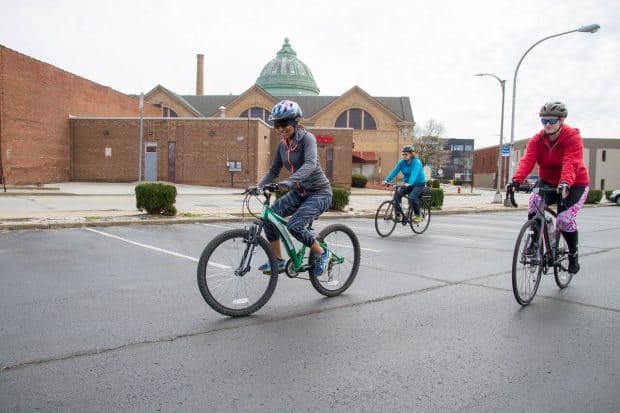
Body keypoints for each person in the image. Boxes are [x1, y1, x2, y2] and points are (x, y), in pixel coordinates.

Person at [252, 100, 333, 276]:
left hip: (320, 193)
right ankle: (279, 261)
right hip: (300, 192)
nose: (281, 128)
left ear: (295, 122)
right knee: (269, 218)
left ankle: (322, 252)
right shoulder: (282, 146)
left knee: (295, 226)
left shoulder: (307, 138)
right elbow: (273, 170)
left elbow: (311, 163)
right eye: (277, 124)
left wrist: (289, 182)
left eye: (285, 124)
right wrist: (257, 187)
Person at [509, 101, 589, 275]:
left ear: (561, 120)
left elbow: (571, 162)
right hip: (548, 181)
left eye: (552, 121)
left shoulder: (571, 137)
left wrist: (566, 182)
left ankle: (573, 255)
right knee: (534, 203)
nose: (547, 125)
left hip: (575, 182)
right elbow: (528, 159)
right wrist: (516, 180)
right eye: (544, 121)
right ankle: (534, 243)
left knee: (565, 219)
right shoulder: (537, 140)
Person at [382, 145, 427, 224]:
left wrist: (410, 183)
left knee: (412, 198)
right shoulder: (401, 162)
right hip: (406, 182)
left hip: (419, 183)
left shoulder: (416, 162)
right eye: (403, 154)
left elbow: (414, 173)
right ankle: (399, 215)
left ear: (411, 154)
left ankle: (418, 216)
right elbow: (394, 171)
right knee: (397, 194)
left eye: (406, 154)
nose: (404, 156)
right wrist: (386, 180)